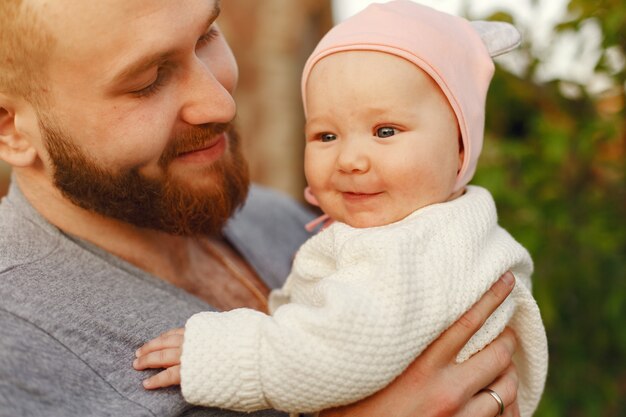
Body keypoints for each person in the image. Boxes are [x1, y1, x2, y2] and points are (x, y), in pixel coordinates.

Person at [0, 0, 521, 416]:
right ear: (10, 128)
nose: (221, 104)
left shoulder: (287, 220)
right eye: (147, 80)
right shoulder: (16, 349)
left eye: (207, 36)